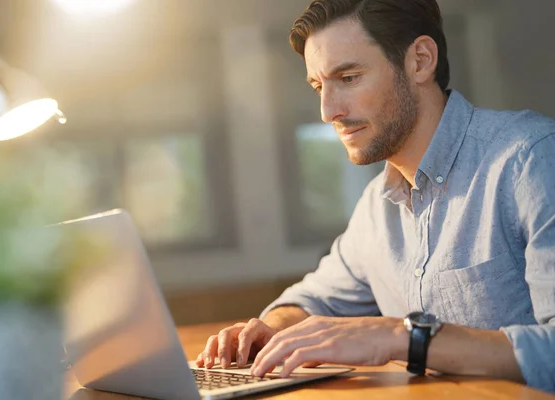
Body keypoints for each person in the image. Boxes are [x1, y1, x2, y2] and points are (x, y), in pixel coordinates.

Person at [195, 0, 555, 392]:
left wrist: (400, 336)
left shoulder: (531, 160)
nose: (327, 111)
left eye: (348, 77)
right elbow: (317, 299)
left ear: (420, 60)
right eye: (318, 86)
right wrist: (270, 331)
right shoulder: (376, 205)